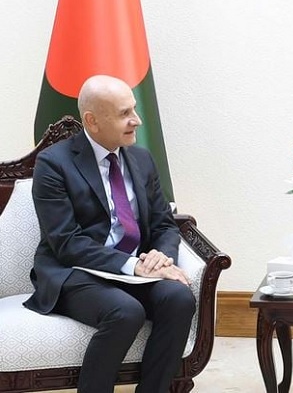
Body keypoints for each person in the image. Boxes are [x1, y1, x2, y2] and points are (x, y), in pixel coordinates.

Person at [24, 75, 195, 393]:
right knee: (125, 312)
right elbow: (66, 242)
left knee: (179, 298)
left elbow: (163, 225)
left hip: (133, 270)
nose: (137, 120)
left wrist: (161, 257)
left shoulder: (141, 159)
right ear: (92, 120)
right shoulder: (53, 164)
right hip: (74, 272)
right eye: (124, 113)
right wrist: (133, 266)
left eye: (134, 109)